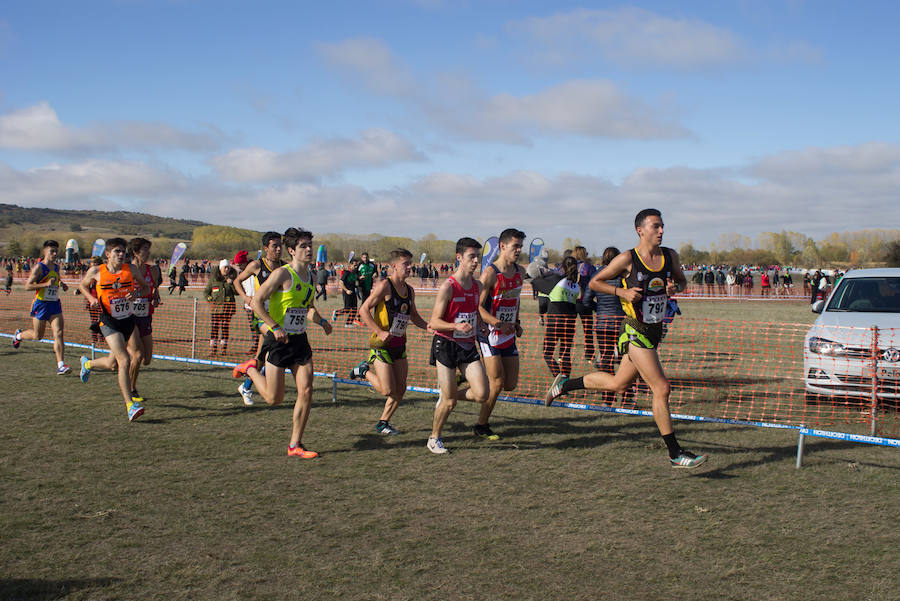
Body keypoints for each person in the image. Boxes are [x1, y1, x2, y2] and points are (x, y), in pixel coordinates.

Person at [544, 209, 708, 469]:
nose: (661, 231)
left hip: (655, 331)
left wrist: (675, 287)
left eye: (663, 226)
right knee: (662, 388)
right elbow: (596, 283)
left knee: (619, 384)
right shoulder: (627, 259)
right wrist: (622, 291)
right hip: (635, 331)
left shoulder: (670, 256)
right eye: (656, 227)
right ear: (640, 230)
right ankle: (675, 453)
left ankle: (564, 384)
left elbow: (682, 281)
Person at [232, 227, 333, 458]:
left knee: (306, 390)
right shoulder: (282, 275)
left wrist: (322, 321)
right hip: (278, 342)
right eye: (303, 247)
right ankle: (251, 370)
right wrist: (274, 327)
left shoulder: (312, 276)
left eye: (310, 246)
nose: (309, 250)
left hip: (300, 341)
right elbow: (256, 302)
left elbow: (307, 309)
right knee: (273, 399)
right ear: (291, 251)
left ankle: (295, 444)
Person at [350, 249, 429, 435]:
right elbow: (363, 309)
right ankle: (364, 371)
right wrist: (379, 331)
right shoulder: (385, 286)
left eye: (411, 263)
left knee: (400, 389)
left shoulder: (409, 290)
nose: (410, 267)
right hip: (381, 345)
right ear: (394, 266)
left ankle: (383, 423)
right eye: (406, 264)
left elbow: (414, 316)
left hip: (399, 344)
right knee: (387, 390)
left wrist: (429, 327)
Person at [426, 237, 490, 454]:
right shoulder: (448, 287)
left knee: (482, 394)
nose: (475, 261)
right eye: (471, 257)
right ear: (459, 258)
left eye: (477, 257)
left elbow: (473, 313)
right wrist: (455, 325)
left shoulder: (478, 286)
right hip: (446, 344)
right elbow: (433, 322)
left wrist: (480, 325)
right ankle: (434, 438)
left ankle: (448, 394)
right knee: (450, 402)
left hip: (467, 344)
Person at [77, 238, 152, 421]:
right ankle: (130, 405)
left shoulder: (131, 270)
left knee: (112, 364)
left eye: (123, 252)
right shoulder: (97, 271)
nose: (121, 255)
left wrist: (135, 293)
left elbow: (146, 288)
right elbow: (82, 285)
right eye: (117, 251)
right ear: (108, 254)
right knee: (124, 359)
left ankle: (87, 364)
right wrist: (91, 298)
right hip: (108, 321)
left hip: (127, 320)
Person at [475, 228, 526, 441]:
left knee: (509, 384)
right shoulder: (490, 273)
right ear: (503, 246)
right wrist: (497, 323)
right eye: (516, 246)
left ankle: (458, 390)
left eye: (521, 246)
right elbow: (477, 306)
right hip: (489, 333)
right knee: (496, 384)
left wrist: (517, 322)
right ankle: (482, 425)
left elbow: (515, 299)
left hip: (507, 334)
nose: (519, 250)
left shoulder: (520, 272)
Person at [12, 240, 71, 374]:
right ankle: (18, 336)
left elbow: (55, 279)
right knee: (38, 336)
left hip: (54, 304)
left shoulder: (56, 267)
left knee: (59, 333)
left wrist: (62, 284)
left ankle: (61, 365)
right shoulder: (39, 268)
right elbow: (28, 286)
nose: (55, 254)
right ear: (45, 251)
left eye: (56, 251)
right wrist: (45, 285)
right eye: (52, 251)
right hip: (41, 304)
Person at [126, 237, 161, 403]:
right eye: (145, 250)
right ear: (135, 252)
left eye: (149, 250)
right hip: (128, 317)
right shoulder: (127, 270)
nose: (148, 253)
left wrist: (155, 297)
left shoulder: (152, 270)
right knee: (138, 355)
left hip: (145, 316)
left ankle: (119, 357)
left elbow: (154, 290)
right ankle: (131, 389)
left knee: (146, 359)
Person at [532, 256, 579, 379]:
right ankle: (565, 381)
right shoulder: (576, 285)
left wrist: (547, 273)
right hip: (570, 322)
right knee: (565, 354)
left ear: (562, 267)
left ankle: (559, 379)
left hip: (555, 321)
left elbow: (535, 282)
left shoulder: (556, 280)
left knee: (547, 353)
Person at [592, 246, 628, 406]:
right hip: (621, 322)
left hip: (603, 323)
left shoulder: (597, 275)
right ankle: (628, 399)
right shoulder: (622, 276)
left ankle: (608, 400)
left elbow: (586, 300)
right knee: (625, 360)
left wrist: (599, 310)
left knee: (606, 359)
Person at [205, 259, 237, 356]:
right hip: (215, 309)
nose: (227, 269)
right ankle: (213, 349)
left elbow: (237, 292)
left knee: (225, 328)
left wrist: (231, 283)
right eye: (225, 267)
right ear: (220, 268)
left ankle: (223, 349)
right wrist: (210, 299)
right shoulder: (213, 279)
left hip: (228, 309)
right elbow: (206, 291)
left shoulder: (232, 279)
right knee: (214, 328)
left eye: (228, 268)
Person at [573, 246, 597, 363]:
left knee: (567, 329)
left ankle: (564, 353)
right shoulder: (589, 267)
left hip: (571, 301)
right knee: (587, 329)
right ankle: (589, 354)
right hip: (585, 301)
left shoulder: (570, 265)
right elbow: (595, 281)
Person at [334, 258, 360, 326]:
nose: (356, 267)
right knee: (347, 309)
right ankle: (336, 313)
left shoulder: (356, 273)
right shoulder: (346, 273)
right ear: (350, 265)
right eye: (355, 265)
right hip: (346, 293)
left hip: (353, 292)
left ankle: (348, 323)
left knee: (355, 309)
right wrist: (347, 290)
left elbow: (356, 282)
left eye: (357, 265)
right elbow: (340, 283)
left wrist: (358, 284)